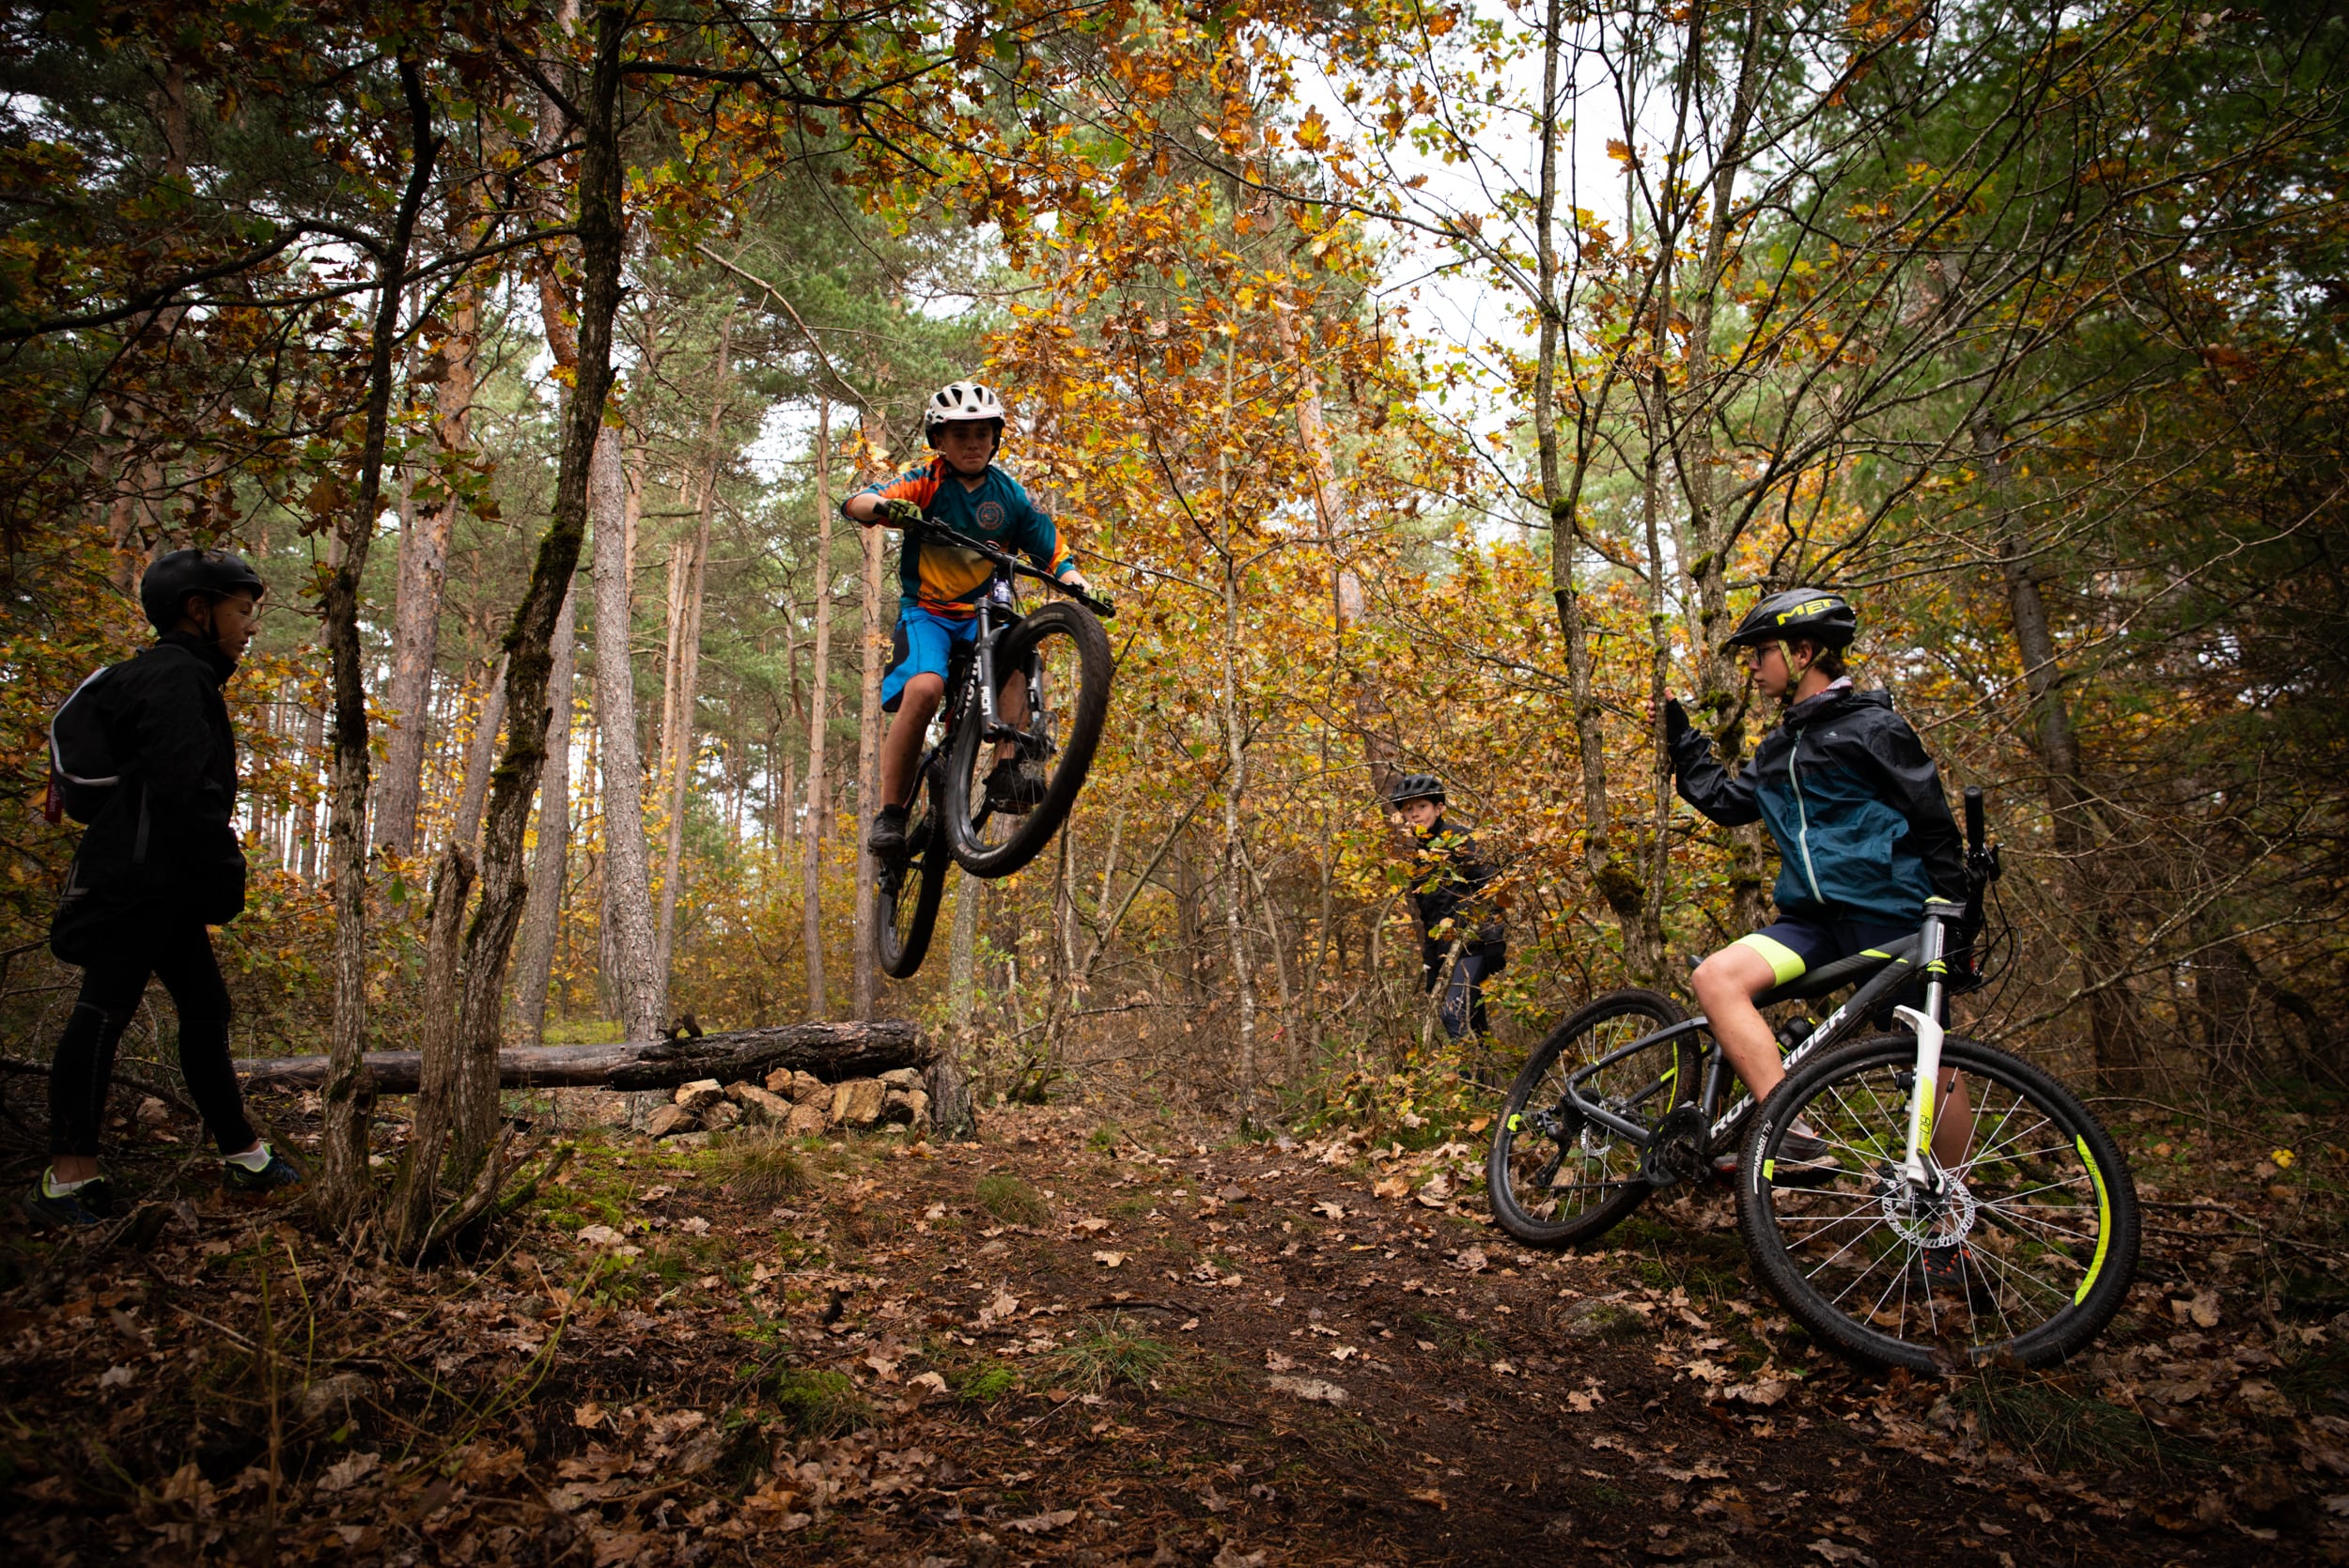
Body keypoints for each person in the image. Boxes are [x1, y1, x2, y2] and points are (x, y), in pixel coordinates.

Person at [1661, 587, 1969, 1211]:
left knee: (1926, 1047)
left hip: (1889, 914)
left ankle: (1953, 1203)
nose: (1751, 665)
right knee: (1716, 978)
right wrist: (1682, 738)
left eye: (1761, 652)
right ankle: (1787, 1128)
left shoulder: (1874, 728)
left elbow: (1935, 825)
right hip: (1810, 922)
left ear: (1803, 653)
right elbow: (1726, 802)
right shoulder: (1779, 748)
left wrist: (1954, 917)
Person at [26, 549, 303, 1228]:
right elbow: (186, 791)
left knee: (205, 1007)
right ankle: (68, 1176)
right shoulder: (176, 676)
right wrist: (225, 867)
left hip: (160, 878)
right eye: (241, 611)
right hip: (138, 879)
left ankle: (243, 1155)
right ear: (197, 610)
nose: (250, 627)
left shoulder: (180, 675)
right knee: (103, 1011)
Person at [844, 380, 1097, 858]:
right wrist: (881, 507)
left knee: (1017, 662)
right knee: (924, 690)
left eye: (982, 433)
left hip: (987, 615)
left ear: (995, 437)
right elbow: (859, 502)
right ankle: (891, 814)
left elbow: (1052, 550)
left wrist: (1075, 579)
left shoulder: (1011, 495)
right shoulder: (925, 481)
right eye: (960, 435)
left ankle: (1006, 770)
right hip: (930, 614)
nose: (973, 443)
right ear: (939, 441)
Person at [1390, 773, 1506, 1043]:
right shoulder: (1418, 860)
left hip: (1473, 945)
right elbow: (1429, 918)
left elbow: (1489, 886)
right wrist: (1431, 966)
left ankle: (1470, 1081)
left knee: (1454, 1015)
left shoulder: (1459, 838)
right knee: (1474, 1023)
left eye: (1422, 806)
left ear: (1439, 807)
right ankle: (1484, 1083)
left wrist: (1494, 940)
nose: (1415, 814)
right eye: (1408, 809)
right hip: (1447, 953)